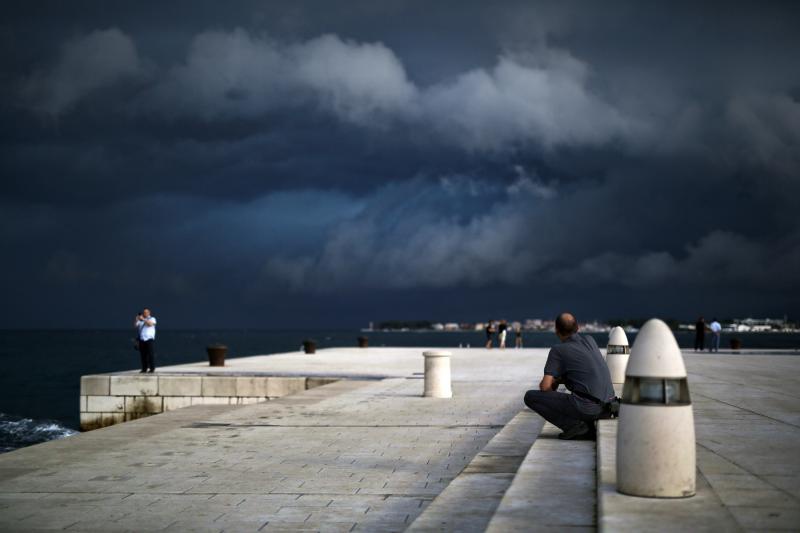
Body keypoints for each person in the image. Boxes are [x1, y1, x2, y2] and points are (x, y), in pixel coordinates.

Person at [523, 312, 615, 440]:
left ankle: (574, 426)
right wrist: (563, 379)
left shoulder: (558, 350)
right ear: (577, 327)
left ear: (556, 330)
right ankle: (583, 421)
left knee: (530, 397)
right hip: (608, 406)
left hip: (589, 409)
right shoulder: (590, 340)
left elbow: (545, 387)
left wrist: (554, 387)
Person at [135, 308, 157, 373]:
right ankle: (144, 369)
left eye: (146, 312)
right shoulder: (140, 320)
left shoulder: (152, 318)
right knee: (143, 355)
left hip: (149, 339)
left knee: (150, 354)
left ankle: (152, 368)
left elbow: (150, 324)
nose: (145, 313)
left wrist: (144, 319)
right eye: (144, 312)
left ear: (149, 313)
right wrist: (136, 319)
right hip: (142, 339)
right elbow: (135, 326)